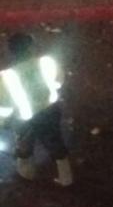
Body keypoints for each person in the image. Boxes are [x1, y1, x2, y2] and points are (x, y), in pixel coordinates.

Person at [0, 33, 73, 186]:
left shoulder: (5, 77)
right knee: (55, 141)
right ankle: (66, 177)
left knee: (24, 147)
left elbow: (4, 105)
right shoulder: (46, 62)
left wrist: (3, 122)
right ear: (31, 47)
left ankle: (27, 173)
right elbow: (59, 81)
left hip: (24, 119)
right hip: (50, 111)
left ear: (11, 52)